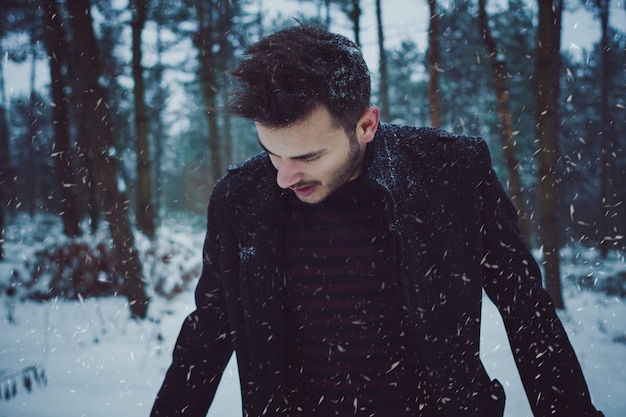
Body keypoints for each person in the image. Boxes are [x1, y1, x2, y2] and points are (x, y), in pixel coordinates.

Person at [151, 24, 603, 417]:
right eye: (272, 153)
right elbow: (207, 333)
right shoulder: (239, 200)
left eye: (308, 155)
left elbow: (527, 309)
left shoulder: (453, 173)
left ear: (367, 125)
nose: (284, 177)